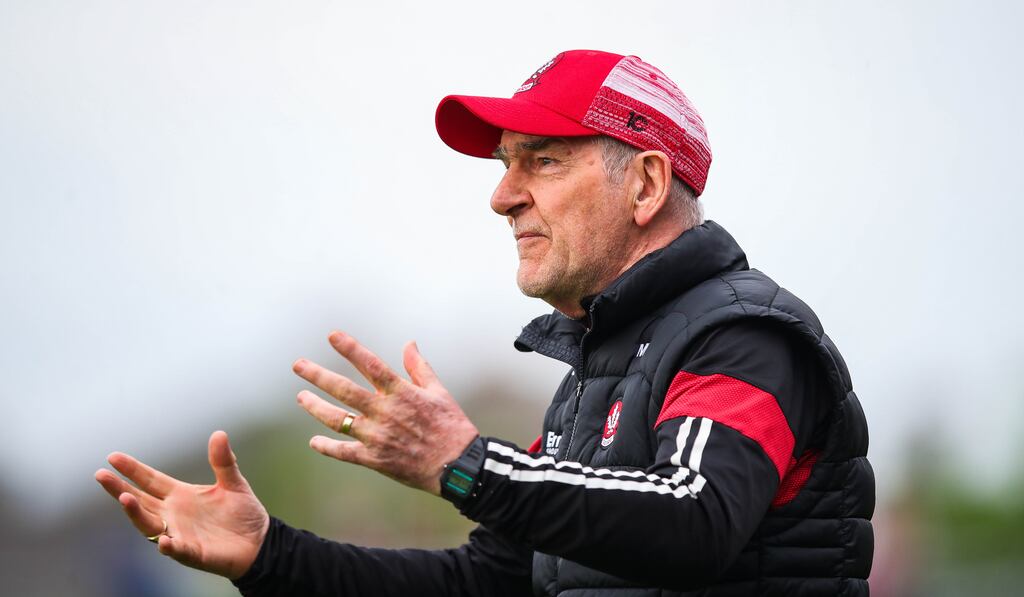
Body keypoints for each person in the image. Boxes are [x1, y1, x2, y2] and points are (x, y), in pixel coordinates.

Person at [95, 49, 874, 596]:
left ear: (644, 184)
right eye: (505, 163)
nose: (501, 196)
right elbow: (487, 582)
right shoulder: (591, 378)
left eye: (542, 160)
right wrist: (269, 555)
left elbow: (694, 519)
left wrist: (466, 463)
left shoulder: (746, 334)